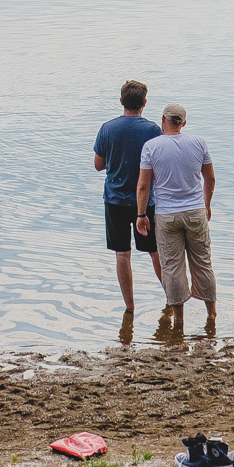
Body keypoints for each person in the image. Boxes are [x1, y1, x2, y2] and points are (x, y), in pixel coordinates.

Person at [136, 104, 217, 334]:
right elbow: (209, 178)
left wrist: (141, 214)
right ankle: (211, 315)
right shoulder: (199, 143)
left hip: (166, 215)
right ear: (183, 123)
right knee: (203, 263)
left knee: (172, 267)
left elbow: (143, 185)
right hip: (195, 211)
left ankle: (179, 320)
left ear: (163, 120)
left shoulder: (151, 147)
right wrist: (207, 204)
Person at [93, 81, 164, 315]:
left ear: (121, 101)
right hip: (146, 202)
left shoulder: (107, 128)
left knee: (122, 254)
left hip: (115, 199)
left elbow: (98, 165)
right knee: (155, 251)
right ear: (144, 102)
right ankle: (172, 299)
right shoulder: (153, 130)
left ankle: (130, 308)